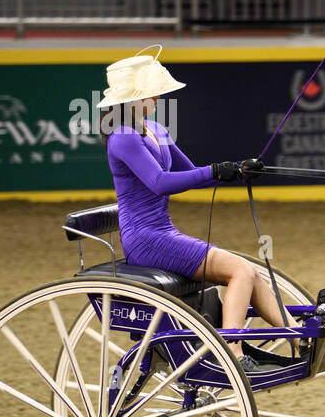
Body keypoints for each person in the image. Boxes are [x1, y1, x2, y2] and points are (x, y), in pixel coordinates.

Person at [97, 45, 287, 374]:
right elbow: (159, 182)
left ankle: (299, 339)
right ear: (133, 98)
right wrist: (215, 170)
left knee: (251, 274)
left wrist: (236, 170)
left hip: (164, 232)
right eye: (152, 94)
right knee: (241, 271)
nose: (157, 100)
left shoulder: (155, 130)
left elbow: (191, 174)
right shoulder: (122, 137)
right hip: (145, 239)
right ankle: (233, 350)